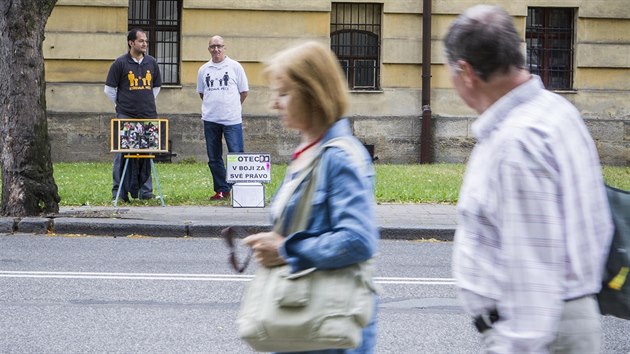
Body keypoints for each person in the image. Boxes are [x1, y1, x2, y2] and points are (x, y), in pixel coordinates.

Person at [445, 5, 614, 353]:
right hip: (568, 317)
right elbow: (599, 225)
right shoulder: (557, 111)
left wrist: (513, 345)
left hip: (538, 335)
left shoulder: (516, 144)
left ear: (466, 71)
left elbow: (533, 275)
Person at [241, 41, 379, 354]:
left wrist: (286, 248)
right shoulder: (311, 150)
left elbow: (358, 240)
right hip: (306, 325)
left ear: (313, 93)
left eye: (284, 92)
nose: (274, 104)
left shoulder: (339, 156)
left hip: (329, 332)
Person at [104, 28, 162, 202]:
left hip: (148, 115)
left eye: (145, 41)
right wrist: (122, 105)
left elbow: (156, 87)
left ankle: (146, 192)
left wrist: (145, 102)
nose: (144, 44)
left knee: (147, 153)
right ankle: (119, 192)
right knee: (122, 153)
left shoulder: (152, 62)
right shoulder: (120, 63)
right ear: (131, 43)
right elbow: (109, 90)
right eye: (141, 41)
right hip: (126, 116)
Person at [197, 35, 249, 201]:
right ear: (209, 49)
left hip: (231, 120)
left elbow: (244, 91)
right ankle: (222, 190)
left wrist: (232, 106)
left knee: (236, 154)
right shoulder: (203, 70)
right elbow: (202, 92)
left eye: (219, 46)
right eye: (213, 46)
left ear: (224, 47)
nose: (216, 49)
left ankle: (240, 189)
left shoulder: (235, 67)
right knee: (214, 157)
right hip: (211, 119)